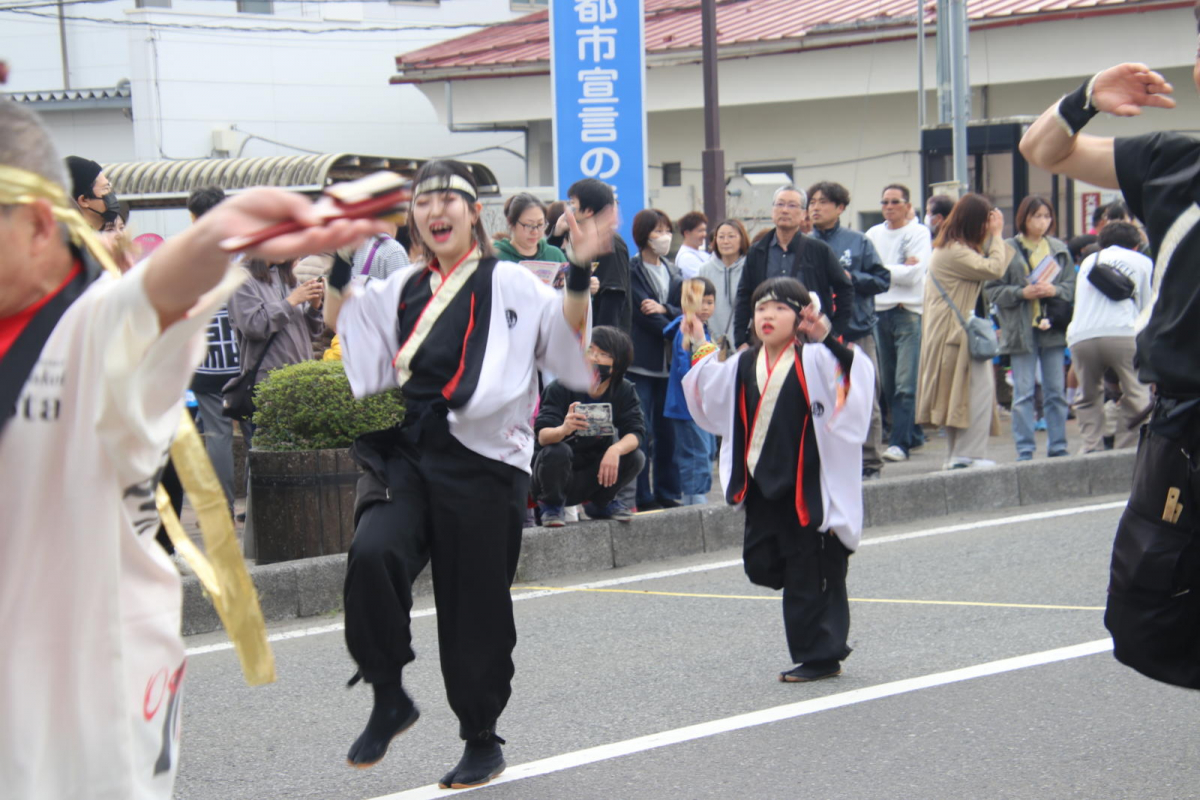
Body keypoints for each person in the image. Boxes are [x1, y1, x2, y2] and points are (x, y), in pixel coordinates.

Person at [0, 96, 382, 800]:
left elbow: (158, 289)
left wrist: (231, 230)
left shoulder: (87, 322)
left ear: (35, 222)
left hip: (82, 687)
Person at [325, 159, 608, 787]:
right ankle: (389, 690)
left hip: (487, 464)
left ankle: (481, 735)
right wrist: (342, 257)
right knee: (372, 552)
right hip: (414, 450)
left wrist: (582, 269)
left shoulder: (509, 281)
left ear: (471, 212)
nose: (434, 212)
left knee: (472, 605)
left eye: (447, 200)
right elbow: (341, 324)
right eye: (423, 203)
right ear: (415, 220)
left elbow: (564, 341)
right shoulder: (402, 288)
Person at [1017, 55, 1200, 688]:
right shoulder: (1171, 159)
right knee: (1147, 617)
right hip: (1183, 422)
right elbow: (1043, 147)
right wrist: (1087, 96)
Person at [683, 276, 873, 682]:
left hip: (807, 483)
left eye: (780, 309)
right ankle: (821, 613)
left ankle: (820, 655)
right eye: (761, 309)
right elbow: (709, 391)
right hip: (761, 485)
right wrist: (699, 340)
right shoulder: (744, 362)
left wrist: (826, 336)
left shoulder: (818, 358)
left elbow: (854, 380)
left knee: (810, 569)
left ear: (801, 316)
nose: (768, 316)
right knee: (762, 564)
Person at [916, 194, 1013, 469]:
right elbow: (995, 268)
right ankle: (967, 455)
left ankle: (957, 455)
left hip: (947, 332)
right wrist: (998, 234)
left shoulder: (948, 248)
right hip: (955, 334)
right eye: (985, 222)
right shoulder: (955, 252)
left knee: (957, 393)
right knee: (977, 392)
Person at [808, 181, 890, 479]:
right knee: (822, 400)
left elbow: (882, 280)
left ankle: (870, 461)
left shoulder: (858, 242)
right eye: (812, 202)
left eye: (823, 202)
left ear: (840, 208)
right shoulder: (804, 244)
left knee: (865, 395)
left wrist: (849, 277)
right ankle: (830, 460)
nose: (815, 207)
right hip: (817, 338)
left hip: (856, 331)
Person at [985, 195, 1076, 461]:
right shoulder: (1008, 248)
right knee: (1022, 392)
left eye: (1047, 216)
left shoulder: (1058, 248)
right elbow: (991, 290)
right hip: (1021, 329)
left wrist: (1054, 289)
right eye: (1037, 216)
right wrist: (1022, 292)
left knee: (1055, 391)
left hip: (1053, 328)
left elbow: (1072, 286)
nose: (1043, 222)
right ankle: (1025, 449)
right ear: (1024, 218)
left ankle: (1058, 446)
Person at [533, 326, 645, 524]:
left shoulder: (623, 390)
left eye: (602, 354)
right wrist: (564, 429)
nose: (594, 358)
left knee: (635, 457)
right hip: (555, 474)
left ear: (618, 364)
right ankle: (551, 506)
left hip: (594, 471)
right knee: (556, 451)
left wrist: (615, 450)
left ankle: (602, 502)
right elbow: (542, 435)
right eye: (590, 351)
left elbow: (636, 431)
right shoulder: (561, 387)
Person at [1066, 221, 1152, 454]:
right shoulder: (1142, 261)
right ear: (1135, 246)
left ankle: (1090, 448)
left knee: (1088, 395)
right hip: (1123, 332)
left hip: (1081, 336)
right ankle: (1127, 449)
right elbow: (1147, 307)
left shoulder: (1088, 262)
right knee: (1135, 392)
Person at [733, 185, 853, 347]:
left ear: (804, 214)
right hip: (767, 337)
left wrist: (833, 330)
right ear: (772, 210)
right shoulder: (758, 250)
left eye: (792, 205)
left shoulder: (818, 250)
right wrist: (741, 339)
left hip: (807, 338)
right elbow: (744, 295)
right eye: (780, 204)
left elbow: (845, 289)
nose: (785, 210)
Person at [867, 183, 934, 463]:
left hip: (908, 311)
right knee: (886, 381)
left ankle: (900, 443)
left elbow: (915, 274)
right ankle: (912, 434)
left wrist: (883, 272)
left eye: (895, 201)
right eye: (885, 202)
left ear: (908, 205)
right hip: (879, 311)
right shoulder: (872, 234)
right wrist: (897, 269)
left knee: (906, 382)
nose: (889, 207)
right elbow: (866, 271)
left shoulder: (919, 232)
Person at [226, 257, 324, 447]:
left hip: (303, 378)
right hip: (269, 382)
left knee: (303, 451)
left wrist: (315, 306)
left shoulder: (287, 277)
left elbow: (311, 332)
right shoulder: (241, 278)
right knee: (270, 454)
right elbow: (253, 325)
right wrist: (291, 301)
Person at [186, 186, 240, 512]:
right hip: (245, 356)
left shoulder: (188, 253)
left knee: (217, 434)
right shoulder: (241, 249)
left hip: (206, 361)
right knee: (255, 433)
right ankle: (259, 506)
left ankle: (224, 508)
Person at [628, 207, 683, 510]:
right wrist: (676, 327)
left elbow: (686, 307)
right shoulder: (631, 269)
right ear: (644, 235)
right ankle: (641, 495)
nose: (664, 237)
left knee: (667, 431)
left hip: (669, 363)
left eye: (667, 230)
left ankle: (668, 491)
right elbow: (641, 312)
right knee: (642, 429)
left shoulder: (674, 270)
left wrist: (667, 311)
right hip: (642, 362)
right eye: (658, 231)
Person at [549, 178, 631, 331]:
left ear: (588, 211)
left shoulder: (610, 243)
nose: (568, 208)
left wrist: (601, 344)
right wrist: (557, 235)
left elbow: (612, 297)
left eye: (572, 203)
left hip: (598, 341)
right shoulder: (578, 238)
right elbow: (550, 266)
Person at [664, 277, 717, 504]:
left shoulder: (699, 329)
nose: (704, 308)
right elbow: (687, 371)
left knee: (705, 453)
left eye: (709, 302)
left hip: (701, 406)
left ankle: (696, 500)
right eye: (700, 302)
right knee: (696, 456)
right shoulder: (685, 331)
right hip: (689, 406)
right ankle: (695, 504)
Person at [698, 218, 749, 349]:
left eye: (731, 236)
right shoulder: (705, 270)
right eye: (721, 237)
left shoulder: (750, 267)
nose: (725, 241)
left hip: (745, 345)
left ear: (741, 239)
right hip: (713, 345)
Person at [495, 192, 568, 265]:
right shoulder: (497, 257)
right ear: (511, 222)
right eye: (529, 225)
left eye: (540, 224)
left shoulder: (555, 256)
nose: (535, 232)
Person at [65, 154, 120, 232]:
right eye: (105, 189)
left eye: (110, 188)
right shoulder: (72, 242)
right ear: (84, 200)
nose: (110, 194)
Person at [674, 211, 709, 279]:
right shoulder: (686, 258)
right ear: (687, 233)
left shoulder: (702, 254)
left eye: (704, 230)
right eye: (700, 231)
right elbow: (705, 281)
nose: (704, 234)